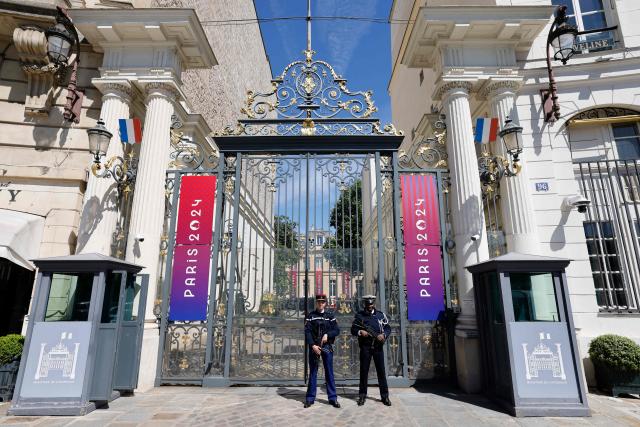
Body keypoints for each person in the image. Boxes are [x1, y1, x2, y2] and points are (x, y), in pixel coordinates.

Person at [351, 294, 392, 406]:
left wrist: (384, 335)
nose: (370, 306)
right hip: (366, 347)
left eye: (371, 304)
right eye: (368, 304)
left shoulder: (380, 315)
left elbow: (387, 327)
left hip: (378, 347)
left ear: (374, 303)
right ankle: (362, 396)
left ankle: (385, 396)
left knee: (381, 372)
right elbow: (353, 329)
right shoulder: (360, 316)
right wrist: (360, 332)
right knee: (364, 372)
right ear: (365, 304)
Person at [304, 294, 340, 408]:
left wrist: (327, 335)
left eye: (323, 302)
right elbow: (307, 332)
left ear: (325, 303)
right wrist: (313, 345)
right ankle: (310, 398)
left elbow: (337, 330)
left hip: (326, 346)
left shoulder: (330, 316)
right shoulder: (311, 316)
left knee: (329, 372)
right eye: (319, 302)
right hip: (314, 347)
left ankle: (333, 398)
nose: (320, 304)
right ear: (316, 303)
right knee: (313, 372)